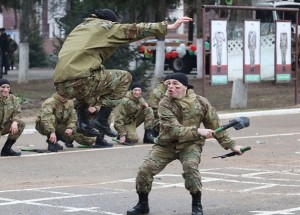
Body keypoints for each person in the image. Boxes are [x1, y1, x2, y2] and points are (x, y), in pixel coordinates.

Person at [53, 8, 193, 138]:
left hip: (61, 83)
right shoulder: (106, 27)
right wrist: (168, 26)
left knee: (87, 91)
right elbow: (134, 29)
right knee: (124, 77)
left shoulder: (80, 28)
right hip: (81, 78)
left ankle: (83, 123)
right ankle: (101, 120)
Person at [126, 73, 243, 215]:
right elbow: (174, 129)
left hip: (190, 145)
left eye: (176, 84)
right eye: (169, 84)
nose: (171, 87)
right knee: (144, 170)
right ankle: (142, 204)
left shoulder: (201, 102)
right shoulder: (165, 103)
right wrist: (198, 131)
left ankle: (197, 206)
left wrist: (231, 146)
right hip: (166, 144)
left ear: (185, 87)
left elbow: (216, 125)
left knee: (190, 168)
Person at [35, 93, 112, 152]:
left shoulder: (70, 102)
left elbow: (73, 117)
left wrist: (70, 128)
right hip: (44, 126)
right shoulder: (50, 102)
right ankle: (51, 142)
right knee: (52, 118)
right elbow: (46, 118)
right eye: (61, 94)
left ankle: (61, 139)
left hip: (59, 125)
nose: (63, 97)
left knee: (89, 140)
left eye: (66, 95)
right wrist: (51, 132)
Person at [0, 79, 24, 156]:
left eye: (8, 87)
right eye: (3, 87)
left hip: (3, 126)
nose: (6, 90)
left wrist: (15, 122)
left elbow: (17, 112)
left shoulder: (12, 98)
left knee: (20, 124)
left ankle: (6, 149)